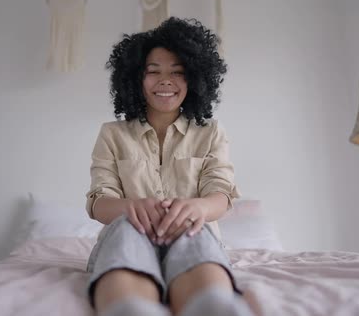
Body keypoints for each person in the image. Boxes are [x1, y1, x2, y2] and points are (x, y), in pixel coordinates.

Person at [85, 17, 253, 316]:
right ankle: (130, 308)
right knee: (125, 227)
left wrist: (197, 209)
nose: (165, 81)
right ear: (136, 78)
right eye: (153, 72)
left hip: (192, 234)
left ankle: (215, 306)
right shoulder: (111, 134)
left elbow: (222, 196)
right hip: (129, 233)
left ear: (195, 79)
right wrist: (131, 208)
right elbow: (99, 202)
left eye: (177, 72)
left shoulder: (211, 132)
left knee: (194, 230)